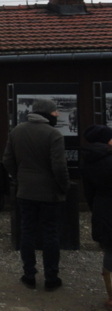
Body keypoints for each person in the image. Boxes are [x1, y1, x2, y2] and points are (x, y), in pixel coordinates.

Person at [3, 98, 69, 291]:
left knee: (27, 232)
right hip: (49, 193)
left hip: (25, 191)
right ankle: (51, 277)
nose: (57, 115)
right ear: (47, 113)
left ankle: (29, 275)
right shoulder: (54, 134)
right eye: (55, 112)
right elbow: (59, 166)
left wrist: (19, 177)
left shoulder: (17, 131)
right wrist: (64, 186)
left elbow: (7, 159)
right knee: (50, 233)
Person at [80, 124, 112, 310]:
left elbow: (89, 193)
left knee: (109, 249)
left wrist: (97, 208)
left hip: (101, 207)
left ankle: (111, 296)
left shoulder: (89, 160)